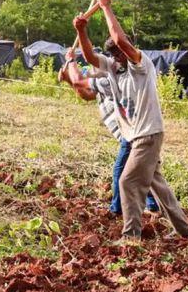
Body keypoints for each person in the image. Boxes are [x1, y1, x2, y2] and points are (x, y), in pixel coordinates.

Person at [73, 0, 188, 240]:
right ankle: (186, 231)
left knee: (127, 182)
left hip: (147, 134)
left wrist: (106, 8)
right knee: (156, 184)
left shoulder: (141, 64)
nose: (118, 58)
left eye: (120, 53)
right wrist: (81, 31)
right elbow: (88, 57)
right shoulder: (112, 68)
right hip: (136, 135)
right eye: (115, 55)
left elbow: (121, 40)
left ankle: (131, 238)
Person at [57, 50, 159, 215]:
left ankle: (117, 208)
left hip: (132, 131)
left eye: (94, 65)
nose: (90, 70)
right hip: (131, 130)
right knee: (144, 167)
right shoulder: (99, 76)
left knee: (121, 169)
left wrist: (70, 62)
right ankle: (152, 204)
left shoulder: (109, 78)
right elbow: (86, 94)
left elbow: (80, 82)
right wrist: (69, 79)